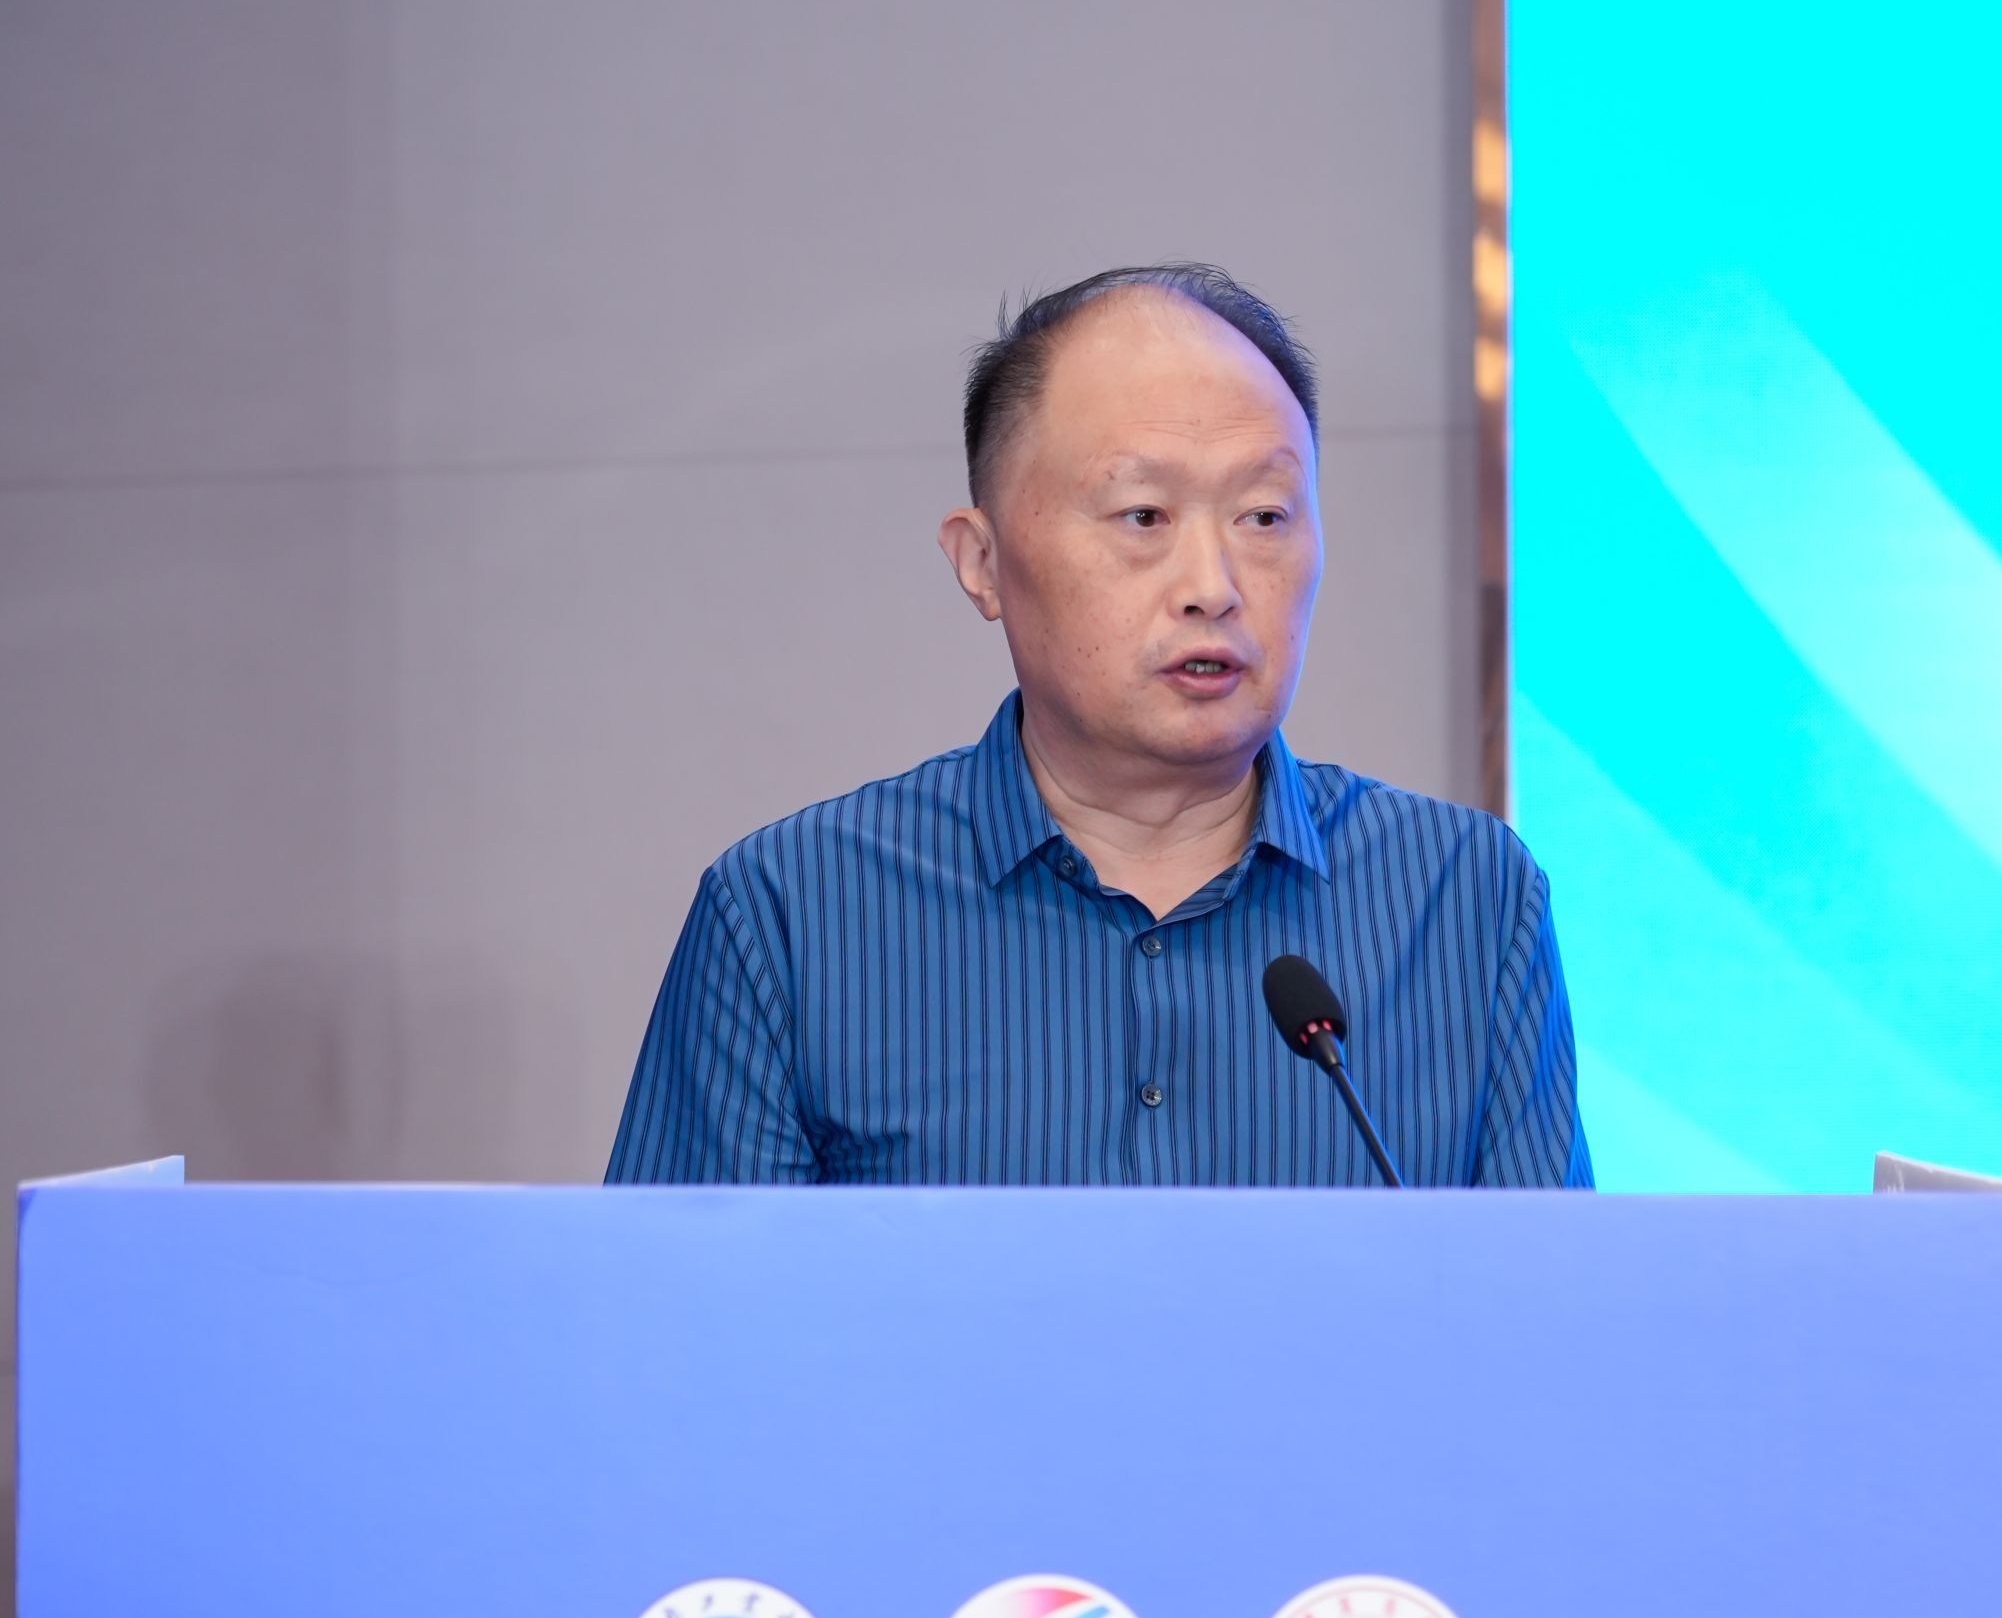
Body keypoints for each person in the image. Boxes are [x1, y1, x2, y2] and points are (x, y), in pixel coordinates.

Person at [606, 264, 1592, 1188]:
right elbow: (679, 1304)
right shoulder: (790, 915)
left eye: (1263, 516)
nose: (1212, 587)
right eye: (1142, 516)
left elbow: (1549, 1301)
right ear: (982, 563)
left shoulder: (1465, 900)